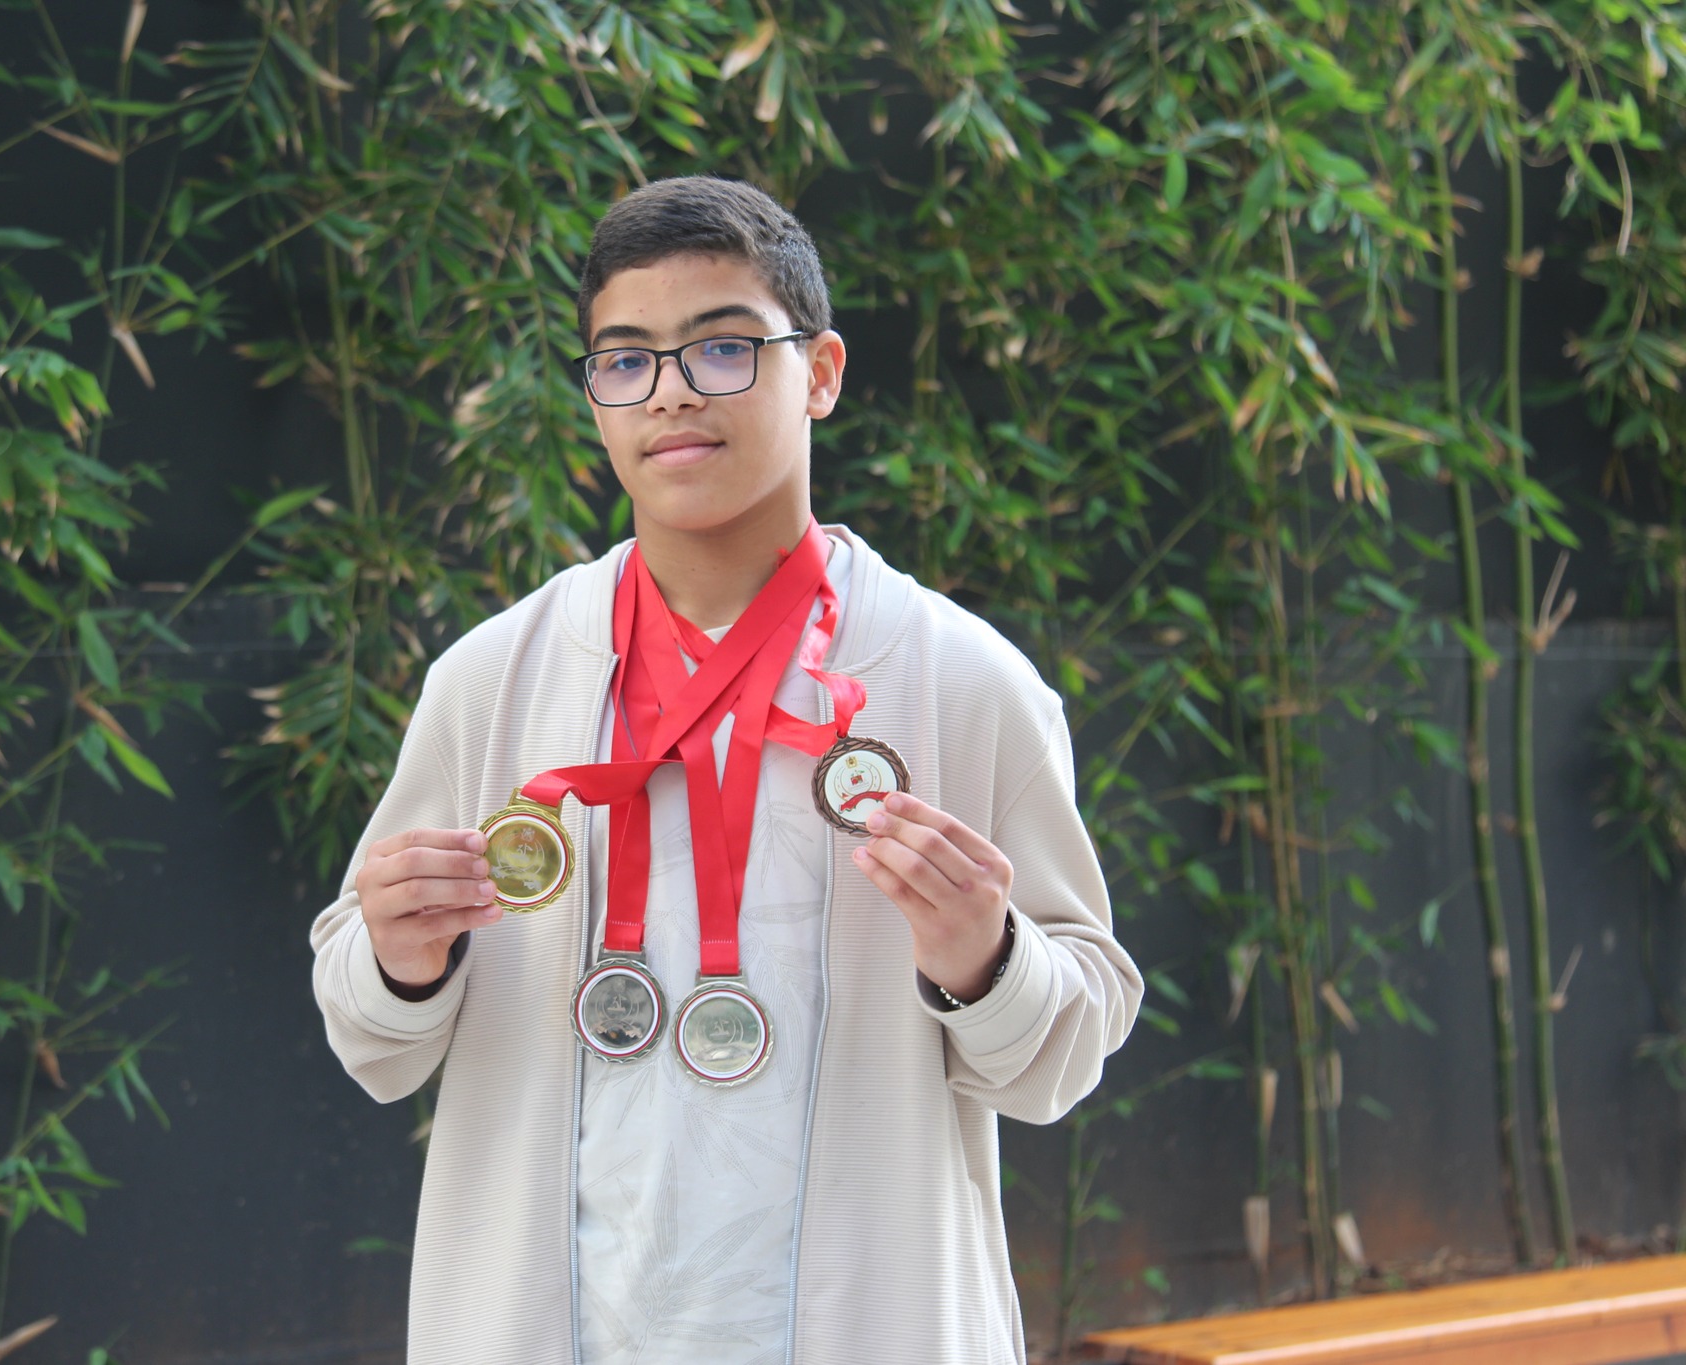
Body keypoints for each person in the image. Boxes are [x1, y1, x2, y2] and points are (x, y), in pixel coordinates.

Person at [310, 175, 1141, 1365]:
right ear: (594, 395)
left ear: (821, 372)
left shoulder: (955, 682)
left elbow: (1064, 1054)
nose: (670, 393)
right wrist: (399, 955)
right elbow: (372, 1040)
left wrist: (985, 957)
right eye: (625, 359)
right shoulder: (494, 680)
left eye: (721, 348)